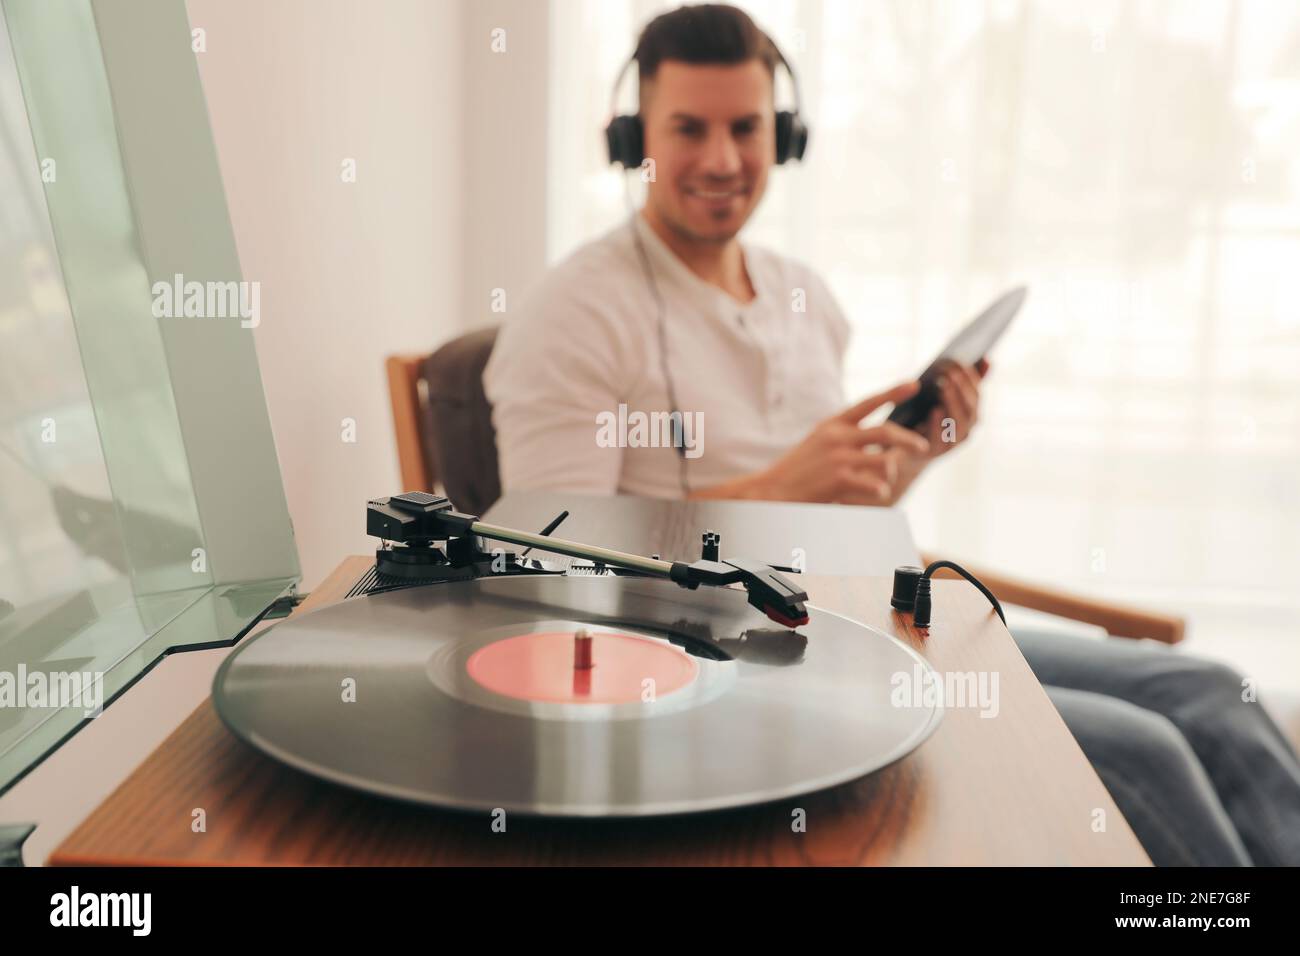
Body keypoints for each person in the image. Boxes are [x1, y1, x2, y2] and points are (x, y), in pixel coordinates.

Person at [483, 2, 1300, 866]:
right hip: (721, 662)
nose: (722, 160)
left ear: (784, 135)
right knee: (1148, 751)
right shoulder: (570, 313)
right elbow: (549, 561)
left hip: (860, 618)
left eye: (746, 127)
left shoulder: (803, 294)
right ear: (630, 138)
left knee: (1212, 698)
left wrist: (915, 454)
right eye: (688, 128)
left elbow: (842, 512)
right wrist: (772, 494)